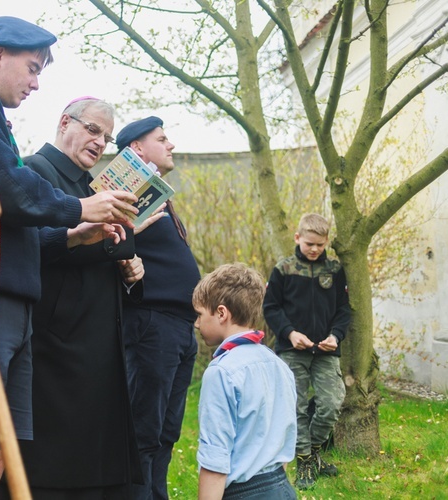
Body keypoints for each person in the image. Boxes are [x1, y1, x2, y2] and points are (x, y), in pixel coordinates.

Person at [0, 19, 139, 500]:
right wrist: (78, 208)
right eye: (32, 67)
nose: (36, 82)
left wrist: (73, 236)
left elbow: (16, 230)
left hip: (14, 305)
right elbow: (7, 186)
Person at [0, 96, 144, 499]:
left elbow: (111, 248)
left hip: (99, 338)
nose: (100, 142)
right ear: (65, 123)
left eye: (106, 137)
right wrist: (75, 236)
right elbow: (23, 248)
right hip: (56, 342)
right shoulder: (33, 171)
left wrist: (131, 269)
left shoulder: (94, 186)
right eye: (93, 130)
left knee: (97, 463)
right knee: (54, 466)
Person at [116, 116, 201, 500]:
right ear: (136, 148)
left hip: (180, 328)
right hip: (153, 326)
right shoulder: (126, 190)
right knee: (144, 433)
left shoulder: (157, 193)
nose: (171, 145)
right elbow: (108, 243)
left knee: (167, 432)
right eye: (162, 139)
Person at [262, 213, 351, 489]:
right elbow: (270, 308)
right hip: (292, 351)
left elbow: (343, 311)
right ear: (297, 238)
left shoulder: (335, 270)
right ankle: (305, 463)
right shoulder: (283, 269)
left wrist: (336, 336)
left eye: (320, 246)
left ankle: (312, 452)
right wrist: (289, 333)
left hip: (325, 351)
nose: (314, 250)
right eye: (309, 244)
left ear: (326, 243)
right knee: (296, 407)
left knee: (331, 403)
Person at [194, 263, 297, 500]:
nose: (197, 324)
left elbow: (215, 459)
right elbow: (285, 439)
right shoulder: (279, 365)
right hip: (281, 489)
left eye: (199, 314)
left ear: (221, 313)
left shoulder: (221, 372)